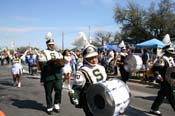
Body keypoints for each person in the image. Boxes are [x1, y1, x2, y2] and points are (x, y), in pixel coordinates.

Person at [69, 45, 107, 116]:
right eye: (90, 58)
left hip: (102, 97)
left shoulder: (101, 67)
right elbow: (77, 88)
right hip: (90, 100)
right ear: (85, 59)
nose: (94, 60)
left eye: (95, 57)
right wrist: (74, 96)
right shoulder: (81, 71)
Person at [38, 33, 66, 115]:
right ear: (47, 44)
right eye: (50, 44)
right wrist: (51, 64)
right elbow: (42, 65)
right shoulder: (43, 53)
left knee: (59, 89)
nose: (52, 46)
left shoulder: (58, 53)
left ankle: (56, 104)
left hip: (58, 75)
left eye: (53, 44)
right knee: (48, 92)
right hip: (48, 76)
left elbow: (62, 61)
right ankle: (49, 106)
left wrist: (61, 63)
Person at [150, 45, 175, 115]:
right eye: (171, 52)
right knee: (171, 96)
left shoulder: (171, 58)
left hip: (171, 80)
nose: (172, 53)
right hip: (165, 80)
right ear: (166, 52)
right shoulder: (162, 59)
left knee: (162, 94)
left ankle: (154, 108)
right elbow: (155, 69)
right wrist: (157, 75)